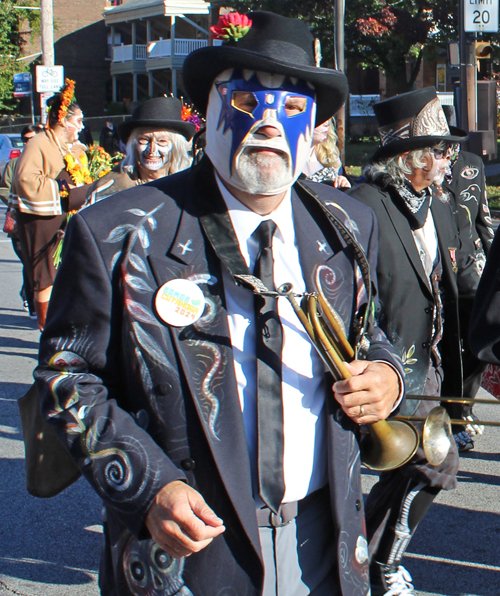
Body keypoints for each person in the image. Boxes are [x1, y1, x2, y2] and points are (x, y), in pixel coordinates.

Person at [35, 11, 405, 596]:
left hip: (325, 537)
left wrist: (385, 376)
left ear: (313, 129)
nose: (267, 122)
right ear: (205, 113)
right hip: (189, 547)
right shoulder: (118, 231)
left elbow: (369, 333)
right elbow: (67, 378)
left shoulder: (346, 224)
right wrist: (147, 485)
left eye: (290, 108)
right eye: (244, 101)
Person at [347, 87, 467, 596]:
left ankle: (370, 561)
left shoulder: (439, 207)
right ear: (411, 155)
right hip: (387, 364)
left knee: (427, 465)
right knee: (434, 466)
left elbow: (455, 288)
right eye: (440, 150)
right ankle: (379, 565)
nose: (448, 160)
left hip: (434, 363)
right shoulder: (362, 204)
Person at [11, 79, 91, 330]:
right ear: (63, 121)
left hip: (66, 215)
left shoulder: (74, 147)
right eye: (78, 121)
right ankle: (47, 329)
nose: (81, 126)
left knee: (71, 270)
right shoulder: (39, 143)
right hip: (42, 218)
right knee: (45, 275)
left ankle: (66, 323)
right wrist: (65, 191)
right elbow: (25, 179)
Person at [434, 144, 494, 451]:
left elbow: (482, 216)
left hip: (471, 266)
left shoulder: (472, 162)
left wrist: (492, 255)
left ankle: (464, 407)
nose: (448, 151)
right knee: (444, 344)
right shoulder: (427, 161)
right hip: (436, 266)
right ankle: (449, 415)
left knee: (477, 340)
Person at [87, 97, 195, 202]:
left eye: (162, 141)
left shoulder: (191, 185)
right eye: (144, 140)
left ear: (176, 147)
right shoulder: (111, 190)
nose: (152, 149)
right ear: (133, 145)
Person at [1, 124, 43, 318]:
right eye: (25, 139)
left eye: (32, 138)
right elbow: (3, 189)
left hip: (44, 223)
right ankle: (31, 299)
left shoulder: (47, 162)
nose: (29, 142)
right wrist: (18, 199)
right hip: (20, 224)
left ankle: (34, 293)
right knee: (29, 263)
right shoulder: (14, 165)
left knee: (41, 264)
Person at [303, 118, 351, 188]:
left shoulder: (331, 153)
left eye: (327, 119)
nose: (326, 124)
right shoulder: (287, 158)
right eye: (320, 119)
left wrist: (343, 184)